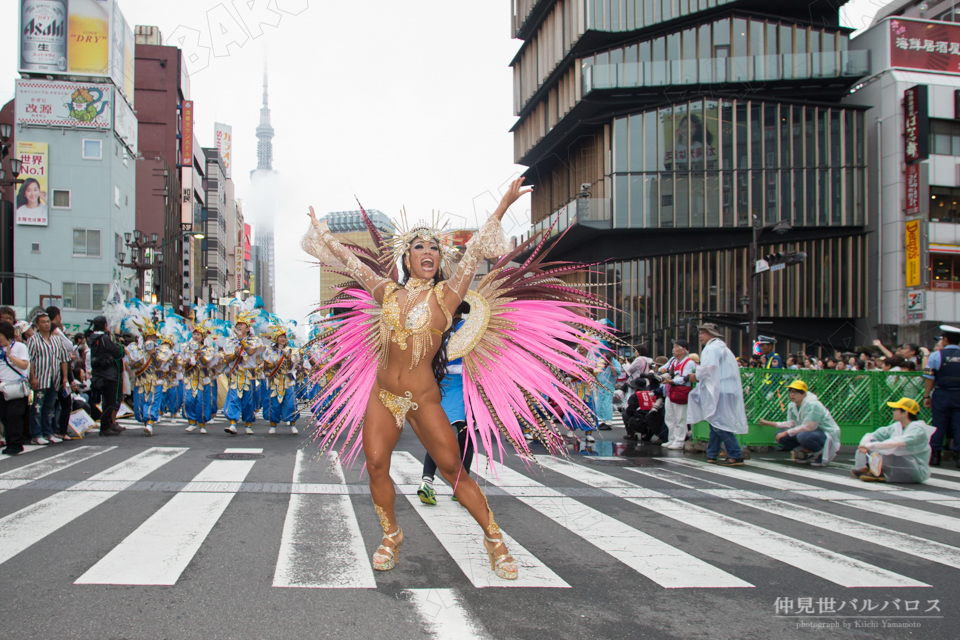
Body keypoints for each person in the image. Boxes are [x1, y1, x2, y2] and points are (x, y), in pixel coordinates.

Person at [301, 177, 609, 581]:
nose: (428, 252)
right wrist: (323, 233)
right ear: (406, 257)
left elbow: (478, 247)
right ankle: (391, 535)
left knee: (453, 470)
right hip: (383, 395)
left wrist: (501, 206)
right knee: (376, 464)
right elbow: (353, 264)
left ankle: (494, 538)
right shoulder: (387, 294)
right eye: (419, 247)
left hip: (422, 398)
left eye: (434, 247)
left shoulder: (447, 295)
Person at [418, 302, 474, 505]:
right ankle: (461, 487)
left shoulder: (436, 329)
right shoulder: (468, 329)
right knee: (465, 438)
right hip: (461, 386)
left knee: (437, 435)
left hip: (438, 385)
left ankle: (427, 481)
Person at [687, 323, 748, 466]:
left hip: (718, 390)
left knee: (719, 424)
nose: (700, 336)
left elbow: (708, 369)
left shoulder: (711, 348)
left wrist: (695, 376)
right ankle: (712, 453)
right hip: (728, 390)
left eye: (703, 332)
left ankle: (735, 454)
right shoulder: (723, 348)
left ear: (711, 334)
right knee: (715, 421)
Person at [758, 380, 841, 466]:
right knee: (780, 435)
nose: (792, 394)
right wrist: (767, 423)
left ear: (804, 393)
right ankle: (805, 452)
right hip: (809, 432)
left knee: (802, 436)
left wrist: (787, 432)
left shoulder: (813, 404)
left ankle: (819, 453)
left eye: (795, 392)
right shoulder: (792, 405)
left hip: (824, 433)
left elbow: (810, 427)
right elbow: (790, 423)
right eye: (790, 392)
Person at [853, 398, 932, 483]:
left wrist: (871, 446)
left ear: (905, 413)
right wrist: (864, 444)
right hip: (904, 465)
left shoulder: (918, 430)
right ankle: (874, 469)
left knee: (892, 448)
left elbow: (896, 443)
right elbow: (873, 435)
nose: (893, 412)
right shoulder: (896, 426)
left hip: (915, 469)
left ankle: (880, 472)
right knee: (873, 442)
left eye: (895, 409)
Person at [27, 312, 69, 445]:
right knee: (37, 408)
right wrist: (32, 378)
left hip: (54, 378)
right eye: (43, 322)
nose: (46, 324)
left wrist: (65, 377)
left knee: (50, 408)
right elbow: (30, 361)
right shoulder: (33, 340)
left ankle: (48, 432)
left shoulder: (57, 340)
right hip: (40, 378)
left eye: (47, 321)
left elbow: (63, 359)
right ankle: (36, 434)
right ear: (37, 325)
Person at [923, 324, 960, 468]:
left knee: (939, 424)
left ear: (944, 339)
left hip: (941, 393)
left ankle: (935, 456)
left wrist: (927, 396)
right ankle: (958, 457)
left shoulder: (935, 356)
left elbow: (929, 377)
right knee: (958, 425)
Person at [222, 311, 264, 435]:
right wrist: (234, 353)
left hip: (249, 374)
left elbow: (251, 352)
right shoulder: (230, 341)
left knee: (248, 400)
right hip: (235, 373)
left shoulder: (255, 340)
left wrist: (242, 340)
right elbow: (227, 359)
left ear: (248, 327)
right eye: (238, 324)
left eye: (242, 324)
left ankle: (248, 424)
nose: (239, 326)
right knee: (234, 397)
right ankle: (233, 424)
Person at [87, 316, 124, 436]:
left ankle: (107, 425)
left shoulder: (92, 338)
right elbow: (117, 353)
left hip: (98, 374)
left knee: (105, 401)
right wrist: (119, 344)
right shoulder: (104, 338)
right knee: (110, 401)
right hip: (109, 374)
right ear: (104, 325)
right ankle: (106, 427)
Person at [262, 323, 300, 435]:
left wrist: (289, 359)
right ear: (276, 338)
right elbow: (265, 367)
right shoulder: (269, 351)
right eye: (280, 337)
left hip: (288, 379)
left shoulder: (291, 350)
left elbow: (293, 366)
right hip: (275, 380)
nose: (282, 339)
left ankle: (292, 424)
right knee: (273, 403)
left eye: (284, 336)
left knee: (290, 403)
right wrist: (274, 364)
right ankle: (273, 425)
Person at [658, 339, 696, 450]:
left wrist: (671, 381)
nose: (673, 350)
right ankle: (671, 439)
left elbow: (685, 378)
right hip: (671, 391)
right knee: (670, 417)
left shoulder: (689, 362)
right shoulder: (673, 360)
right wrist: (663, 369)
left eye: (676, 347)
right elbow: (662, 368)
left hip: (681, 392)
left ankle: (679, 440)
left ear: (683, 349)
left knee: (680, 417)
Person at [0, 321, 30, 455]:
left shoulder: (19, 347)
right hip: (2, 388)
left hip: (17, 388)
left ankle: (16, 443)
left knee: (14, 415)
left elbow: (24, 366)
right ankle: (9, 442)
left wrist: (10, 356)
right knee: (4, 416)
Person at [182, 323, 218, 434]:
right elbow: (182, 364)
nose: (196, 336)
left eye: (198, 334)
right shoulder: (186, 348)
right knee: (188, 401)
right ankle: (192, 423)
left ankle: (202, 425)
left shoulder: (208, 349)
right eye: (194, 334)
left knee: (202, 402)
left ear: (203, 337)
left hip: (203, 379)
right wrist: (186, 362)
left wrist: (200, 354)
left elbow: (206, 363)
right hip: (191, 378)